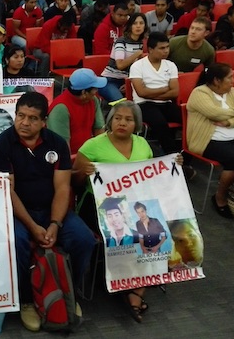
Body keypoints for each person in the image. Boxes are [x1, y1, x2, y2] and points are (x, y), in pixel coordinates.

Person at [0, 92, 94, 332]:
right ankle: (26, 300)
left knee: (83, 239)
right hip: (16, 213)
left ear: (44, 121)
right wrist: (33, 227)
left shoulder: (57, 144)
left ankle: (70, 292)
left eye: (33, 118)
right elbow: (8, 192)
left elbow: (62, 187)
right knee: (16, 243)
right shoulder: (1, 145)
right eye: (21, 116)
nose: (25, 123)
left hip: (51, 211)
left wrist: (55, 223)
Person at [72, 100, 156, 323]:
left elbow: (152, 176)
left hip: (134, 204)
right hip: (98, 206)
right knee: (127, 233)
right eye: (118, 118)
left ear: (136, 124)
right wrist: (84, 173)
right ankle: (131, 289)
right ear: (110, 121)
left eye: (128, 120)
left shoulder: (143, 145)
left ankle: (134, 284)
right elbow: (75, 183)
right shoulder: (92, 146)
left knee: (154, 230)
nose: (122, 123)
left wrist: (173, 165)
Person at [186, 63, 234, 218]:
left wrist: (229, 122)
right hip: (208, 140)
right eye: (230, 77)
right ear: (217, 80)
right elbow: (214, 113)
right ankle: (219, 197)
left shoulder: (233, 92)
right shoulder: (199, 93)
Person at [129, 32, 182, 156]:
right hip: (144, 104)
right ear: (151, 49)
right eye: (162, 48)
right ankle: (173, 155)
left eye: (167, 47)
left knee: (189, 119)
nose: (166, 51)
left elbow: (174, 92)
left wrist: (151, 93)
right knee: (160, 122)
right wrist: (164, 89)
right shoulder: (137, 66)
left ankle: (188, 151)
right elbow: (141, 93)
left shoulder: (171, 65)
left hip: (166, 103)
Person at [47, 68, 105, 154]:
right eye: (95, 88)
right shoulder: (61, 109)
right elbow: (62, 147)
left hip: (88, 154)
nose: (97, 91)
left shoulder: (93, 100)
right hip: (70, 158)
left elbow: (99, 129)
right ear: (84, 92)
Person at [99, 12, 148, 102]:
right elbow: (120, 65)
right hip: (110, 80)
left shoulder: (143, 43)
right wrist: (136, 54)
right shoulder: (121, 41)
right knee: (122, 103)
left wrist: (129, 83)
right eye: (135, 23)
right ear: (130, 26)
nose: (138, 26)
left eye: (141, 23)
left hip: (129, 80)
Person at [34, 12, 77, 76]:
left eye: (68, 29)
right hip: (39, 48)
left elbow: (72, 43)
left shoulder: (71, 26)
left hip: (59, 51)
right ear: (59, 24)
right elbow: (44, 46)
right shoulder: (48, 25)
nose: (66, 31)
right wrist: (58, 54)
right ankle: (44, 78)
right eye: (64, 29)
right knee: (46, 56)